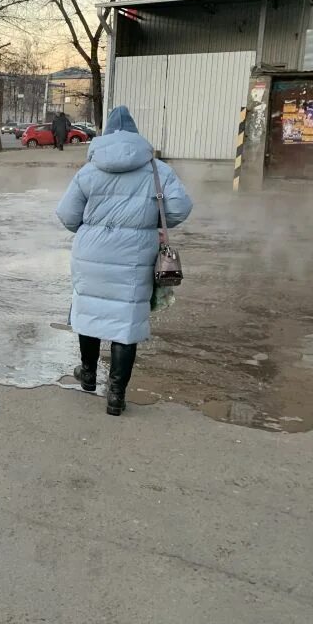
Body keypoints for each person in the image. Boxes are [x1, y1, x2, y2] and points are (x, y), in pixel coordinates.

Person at [56, 106, 192, 417]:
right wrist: (151, 223)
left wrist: (91, 230)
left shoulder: (89, 170)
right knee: (125, 321)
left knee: (90, 309)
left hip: (91, 252)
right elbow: (180, 209)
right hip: (135, 253)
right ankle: (116, 395)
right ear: (135, 135)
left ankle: (88, 375)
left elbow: (66, 215)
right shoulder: (157, 169)